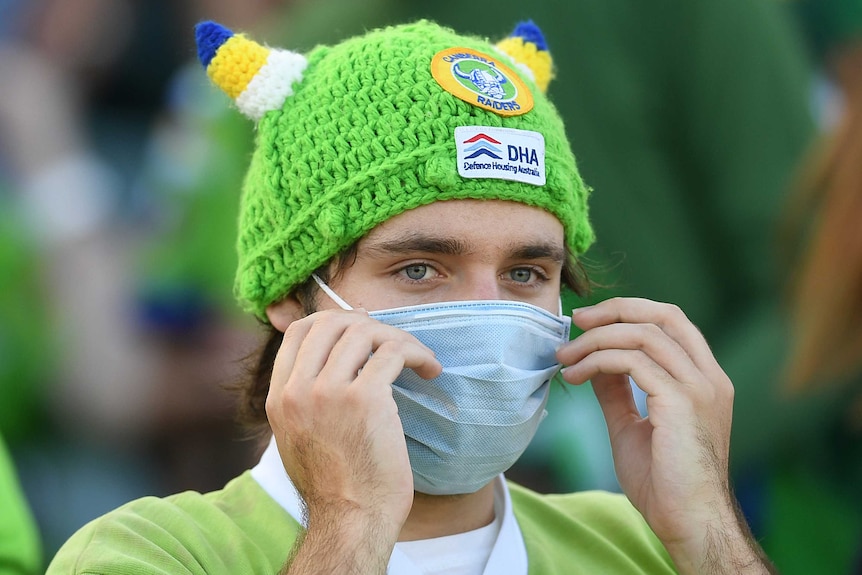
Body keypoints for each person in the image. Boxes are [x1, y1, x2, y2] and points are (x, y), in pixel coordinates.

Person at [48, 19, 774, 574]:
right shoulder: (146, 553)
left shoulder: (641, 545)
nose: (490, 315)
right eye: (421, 269)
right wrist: (350, 524)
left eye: (525, 273)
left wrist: (709, 526)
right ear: (292, 298)